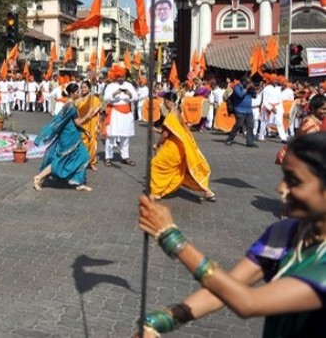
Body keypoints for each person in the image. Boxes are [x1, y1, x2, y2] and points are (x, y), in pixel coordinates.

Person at [136, 132, 326, 338]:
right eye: (283, 177)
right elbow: (224, 290)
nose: (281, 188)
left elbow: (248, 303)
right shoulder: (286, 232)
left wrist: (172, 238)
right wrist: (160, 322)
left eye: (294, 181)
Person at [32, 83, 102, 193]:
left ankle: (79, 182)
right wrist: (88, 115)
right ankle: (38, 177)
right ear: (71, 94)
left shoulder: (69, 104)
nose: (79, 94)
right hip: (69, 138)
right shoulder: (71, 107)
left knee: (83, 156)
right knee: (60, 161)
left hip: (72, 136)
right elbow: (78, 122)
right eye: (77, 92)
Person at [150, 92, 216, 201]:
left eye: (164, 101)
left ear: (167, 101)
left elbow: (166, 134)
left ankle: (157, 192)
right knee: (182, 171)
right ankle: (207, 191)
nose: (163, 104)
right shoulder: (177, 112)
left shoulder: (171, 116)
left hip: (173, 147)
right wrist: (158, 131)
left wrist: (157, 144)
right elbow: (173, 130)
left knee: (156, 164)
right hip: (182, 147)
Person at [103, 65, 138, 167]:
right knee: (111, 136)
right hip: (115, 113)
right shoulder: (110, 86)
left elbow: (135, 97)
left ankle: (125, 157)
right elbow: (105, 99)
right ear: (115, 76)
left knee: (125, 136)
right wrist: (114, 94)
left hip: (126, 113)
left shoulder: (129, 85)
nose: (121, 78)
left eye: (122, 76)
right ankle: (108, 157)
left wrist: (130, 94)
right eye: (118, 76)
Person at [225, 77, 258, 147]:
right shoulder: (237, 87)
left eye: (249, 82)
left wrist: (253, 89)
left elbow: (254, 96)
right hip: (240, 110)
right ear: (243, 82)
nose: (248, 83)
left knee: (250, 126)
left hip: (249, 110)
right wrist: (246, 89)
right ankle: (229, 139)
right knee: (238, 125)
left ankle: (250, 142)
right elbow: (240, 95)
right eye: (247, 82)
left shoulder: (249, 88)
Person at [77, 80, 101, 171]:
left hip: (92, 123)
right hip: (82, 123)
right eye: (82, 87)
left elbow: (96, 110)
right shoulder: (78, 99)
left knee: (93, 142)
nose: (83, 89)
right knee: (83, 143)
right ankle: (82, 162)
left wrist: (91, 112)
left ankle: (91, 162)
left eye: (85, 87)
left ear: (89, 88)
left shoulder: (94, 99)